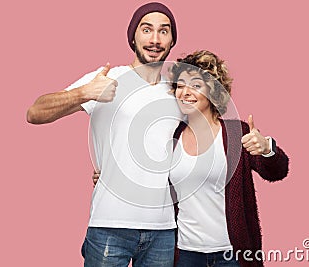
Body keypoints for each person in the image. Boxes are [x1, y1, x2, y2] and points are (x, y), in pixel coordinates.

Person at [27, 2, 184, 267]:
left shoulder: (177, 92)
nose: (155, 39)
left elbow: (197, 143)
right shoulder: (108, 78)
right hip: (109, 225)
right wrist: (84, 93)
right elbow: (35, 112)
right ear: (133, 36)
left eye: (163, 31)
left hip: (164, 229)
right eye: (146, 30)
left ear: (171, 41)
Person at [167, 50, 289, 267]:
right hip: (185, 255)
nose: (185, 92)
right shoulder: (171, 137)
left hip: (231, 254)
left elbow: (277, 171)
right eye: (180, 85)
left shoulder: (236, 133)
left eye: (195, 85)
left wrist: (267, 149)